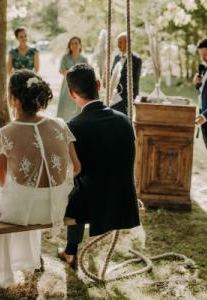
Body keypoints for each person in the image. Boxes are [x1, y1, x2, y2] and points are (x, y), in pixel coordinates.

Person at [0, 69, 81, 285]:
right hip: (55, 208)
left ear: (14, 99)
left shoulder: (4, 133)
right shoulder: (60, 125)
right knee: (20, 194)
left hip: (23, 212)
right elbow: (76, 168)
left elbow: (1, 181)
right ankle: (29, 259)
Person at [57, 64, 140, 269]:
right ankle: (69, 251)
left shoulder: (73, 127)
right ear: (98, 84)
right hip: (123, 198)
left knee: (71, 187)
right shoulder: (124, 120)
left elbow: (73, 171)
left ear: (71, 94)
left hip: (91, 205)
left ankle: (70, 251)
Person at [194, 37, 207, 191]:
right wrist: (198, 84)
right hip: (206, 119)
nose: (203, 57)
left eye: (206, 54)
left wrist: (205, 115)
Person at [56, 37, 88, 121]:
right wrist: (74, 73)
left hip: (79, 86)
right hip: (67, 85)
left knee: (77, 105)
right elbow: (61, 70)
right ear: (69, 46)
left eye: (76, 43)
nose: (74, 45)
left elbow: (86, 73)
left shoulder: (84, 59)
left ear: (80, 45)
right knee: (65, 105)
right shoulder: (65, 57)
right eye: (72, 43)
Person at [110, 32, 142, 115]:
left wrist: (119, 94)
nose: (118, 45)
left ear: (128, 42)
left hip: (126, 96)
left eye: (120, 42)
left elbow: (134, 81)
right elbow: (112, 74)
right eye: (118, 42)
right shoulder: (117, 57)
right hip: (114, 95)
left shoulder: (136, 59)